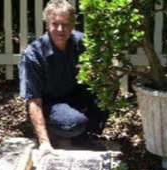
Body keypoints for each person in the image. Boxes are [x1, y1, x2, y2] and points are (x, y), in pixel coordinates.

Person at [19, 0, 108, 159]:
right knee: (74, 123)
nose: (61, 29)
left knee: (107, 91)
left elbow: (102, 73)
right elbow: (33, 99)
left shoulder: (83, 42)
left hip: (75, 95)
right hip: (49, 103)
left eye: (66, 24)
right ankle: (56, 130)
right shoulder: (33, 54)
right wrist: (44, 142)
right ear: (47, 24)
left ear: (73, 24)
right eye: (55, 24)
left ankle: (83, 136)